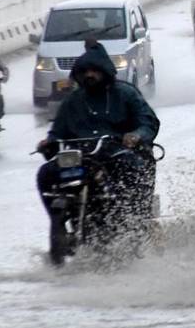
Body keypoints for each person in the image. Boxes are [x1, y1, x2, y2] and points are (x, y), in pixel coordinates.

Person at [35, 41, 160, 241]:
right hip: (80, 159)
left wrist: (136, 136)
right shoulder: (72, 101)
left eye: (94, 71)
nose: (89, 75)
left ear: (105, 71)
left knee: (130, 166)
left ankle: (135, 223)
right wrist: (49, 143)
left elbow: (148, 123)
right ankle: (62, 225)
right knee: (46, 174)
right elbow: (58, 133)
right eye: (85, 71)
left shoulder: (126, 94)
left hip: (117, 154)